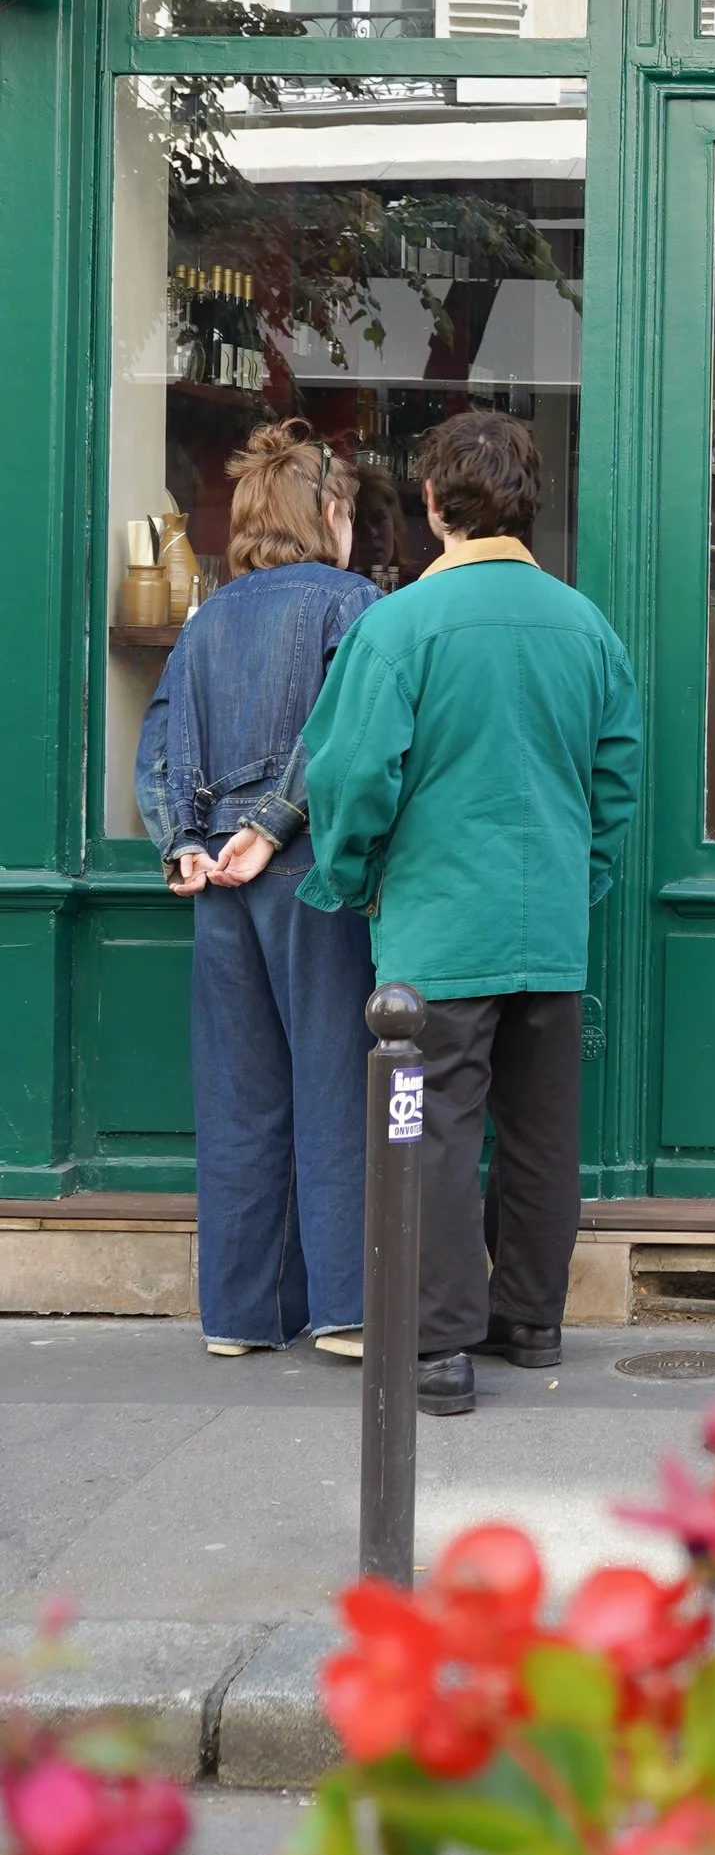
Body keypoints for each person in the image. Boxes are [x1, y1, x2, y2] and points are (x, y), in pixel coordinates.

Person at [297, 408, 642, 1417]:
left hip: (436, 931)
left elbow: (353, 776)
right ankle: (530, 1323)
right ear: (526, 505)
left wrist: (355, 877)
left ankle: (438, 1349)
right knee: (540, 1133)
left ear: (435, 504)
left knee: (431, 1130)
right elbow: (613, 783)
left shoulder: (397, 626)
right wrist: (582, 880)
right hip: (549, 934)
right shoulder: (586, 627)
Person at [134, 421, 377, 1359]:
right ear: (328, 513)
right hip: (306, 872)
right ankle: (346, 1309)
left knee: (240, 1096)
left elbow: (159, 744)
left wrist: (184, 846)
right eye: (347, 510)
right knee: (332, 1084)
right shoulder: (350, 602)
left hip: (219, 883)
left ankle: (241, 1316)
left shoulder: (207, 617)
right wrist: (272, 825)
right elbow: (340, 736)